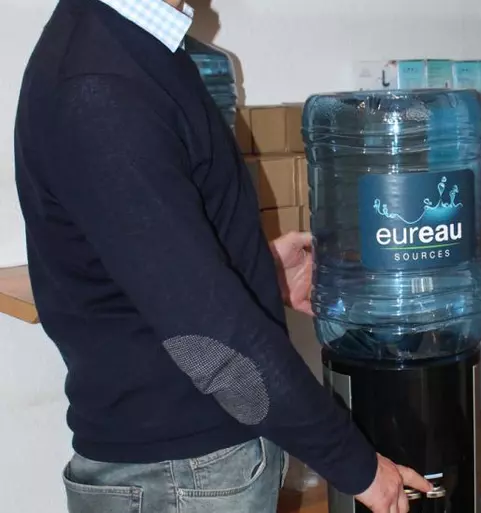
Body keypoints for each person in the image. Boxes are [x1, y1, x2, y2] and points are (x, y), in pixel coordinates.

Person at [14, 0, 432, 512]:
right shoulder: (101, 85)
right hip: (180, 474)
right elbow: (208, 340)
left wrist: (258, 266)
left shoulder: (132, 47)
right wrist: (356, 464)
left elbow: (150, 258)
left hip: (189, 463)